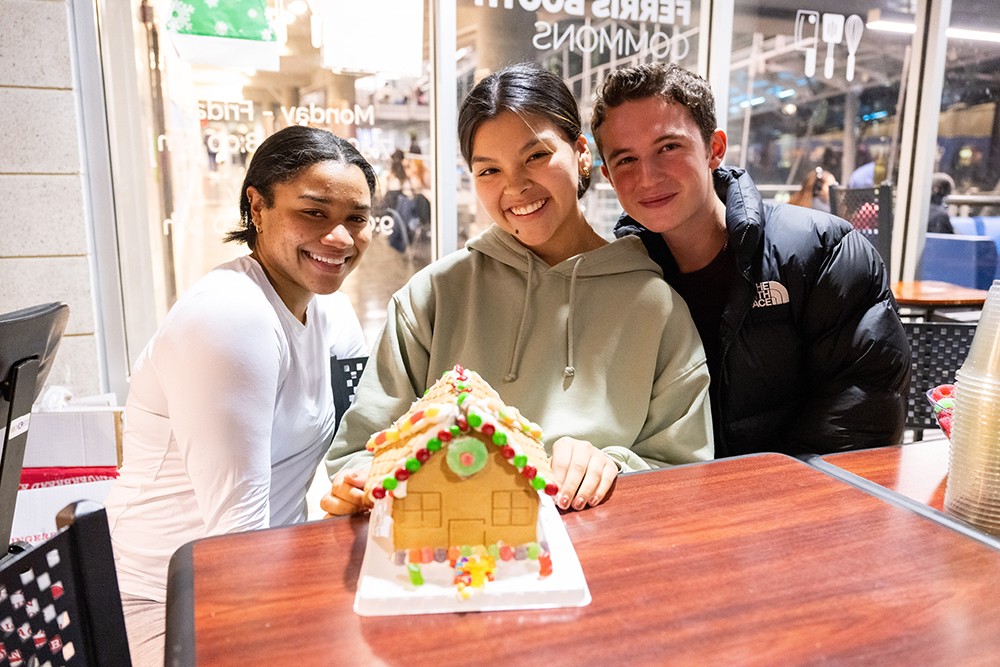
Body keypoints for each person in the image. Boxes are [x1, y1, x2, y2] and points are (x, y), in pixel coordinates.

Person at [322, 62, 713, 517]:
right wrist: (357, 486)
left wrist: (612, 465)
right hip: (451, 556)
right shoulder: (433, 295)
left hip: (594, 560)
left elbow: (685, 473)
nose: (515, 186)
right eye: (489, 170)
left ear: (582, 154)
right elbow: (358, 453)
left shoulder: (656, 306)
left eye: (536, 156)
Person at [103, 125, 376, 664]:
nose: (340, 238)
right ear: (257, 205)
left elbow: (359, 442)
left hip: (264, 573)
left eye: (356, 219)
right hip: (165, 600)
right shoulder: (230, 318)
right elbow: (237, 534)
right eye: (314, 212)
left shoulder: (332, 311)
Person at [590, 62, 910, 457]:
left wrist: (753, 500)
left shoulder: (825, 250)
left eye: (668, 147)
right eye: (626, 160)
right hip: (675, 499)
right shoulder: (619, 278)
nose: (648, 177)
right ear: (606, 173)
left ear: (714, 149)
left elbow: (862, 418)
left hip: (801, 503)